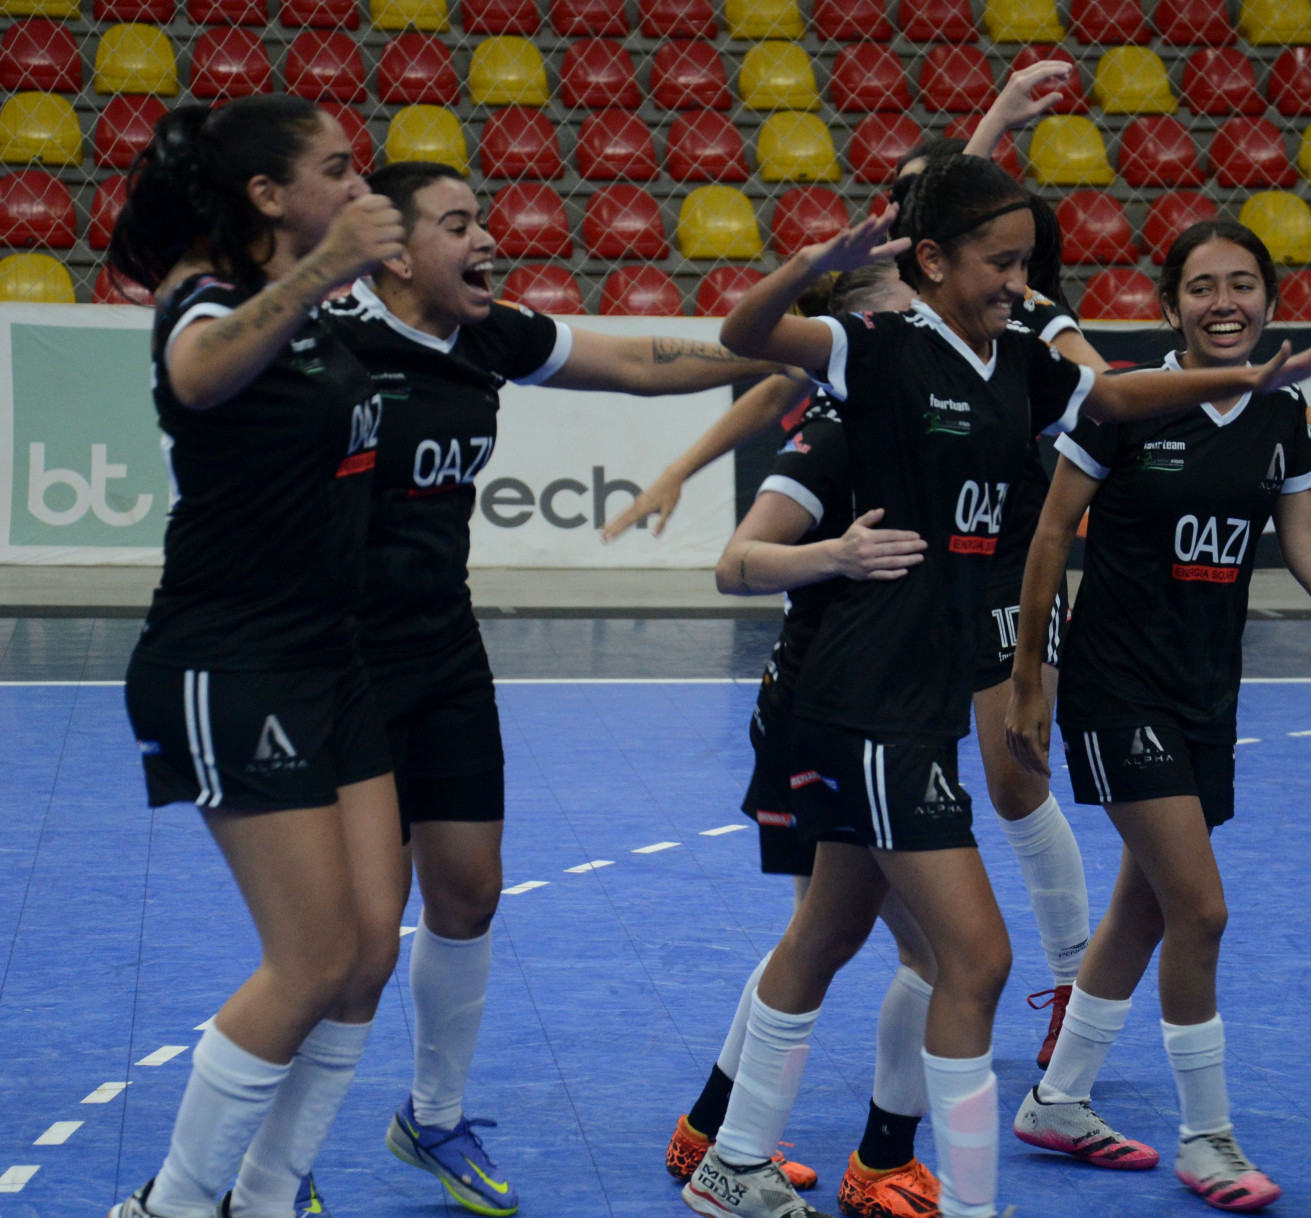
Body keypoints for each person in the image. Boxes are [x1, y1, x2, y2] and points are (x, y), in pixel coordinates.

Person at [689, 154, 1311, 1218]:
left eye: (1028, 262)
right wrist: (822, 262)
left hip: (918, 700)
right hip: (860, 693)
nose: (1018, 279)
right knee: (977, 957)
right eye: (999, 261)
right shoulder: (873, 350)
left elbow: (1122, 396)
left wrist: (1246, 382)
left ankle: (733, 1157)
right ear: (933, 259)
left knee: (828, 933)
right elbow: (743, 336)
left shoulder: (1020, 366)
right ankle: (962, 1202)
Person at [313, 159, 792, 1215]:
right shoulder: (327, 343)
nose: (486, 240)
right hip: (338, 667)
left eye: (483, 219)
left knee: (471, 891)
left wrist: (784, 344)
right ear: (393, 251)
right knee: (350, 946)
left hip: (443, 654)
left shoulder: (486, 335)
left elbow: (636, 362)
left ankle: (431, 1120)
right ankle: (274, 1165)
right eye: (456, 224)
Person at [615, 66, 1100, 1069]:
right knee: (864, 941)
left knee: (893, 917)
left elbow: (969, 226)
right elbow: (744, 507)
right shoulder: (860, 371)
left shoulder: (993, 333)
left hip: (930, 637)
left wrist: (999, 119)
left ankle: (762, 1134)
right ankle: (751, 1133)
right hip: (838, 683)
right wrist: (720, 493)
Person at [1003, 221, 1311, 1212]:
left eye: (1243, 285)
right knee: (1200, 909)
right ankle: (1207, 1138)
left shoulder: (1284, 413)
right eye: (1203, 287)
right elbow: (1048, 536)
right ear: (1170, 307)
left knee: (1143, 903)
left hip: (1208, 690)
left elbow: (1307, 547)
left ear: (1268, 300)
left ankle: (1057, 1099)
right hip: (1114, 684)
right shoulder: (1121, 404)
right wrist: (1030, 681)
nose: (1225, 303)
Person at [107, 97, 408, 1218]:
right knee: (312, 958)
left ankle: (267, 1196)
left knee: (370, 950)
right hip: (229, 662)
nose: (355, 184)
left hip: (329, 662)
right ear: (269, 198)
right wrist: (328, 265)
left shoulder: (325, 312)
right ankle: (174, 1206)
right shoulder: (209, 299)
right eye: (335, 169)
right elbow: (196, 376)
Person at [658, 262, 948, 1218]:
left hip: (878, 708)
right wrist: (840, 555)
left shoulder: (917, 418)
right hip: (821, 712)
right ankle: (867, 1161)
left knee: (835, 934)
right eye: (905, 309)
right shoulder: (833, 428)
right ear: (863, 327)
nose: (923, 322)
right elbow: (734, 562)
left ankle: (713, 1135)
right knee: (902, 947)